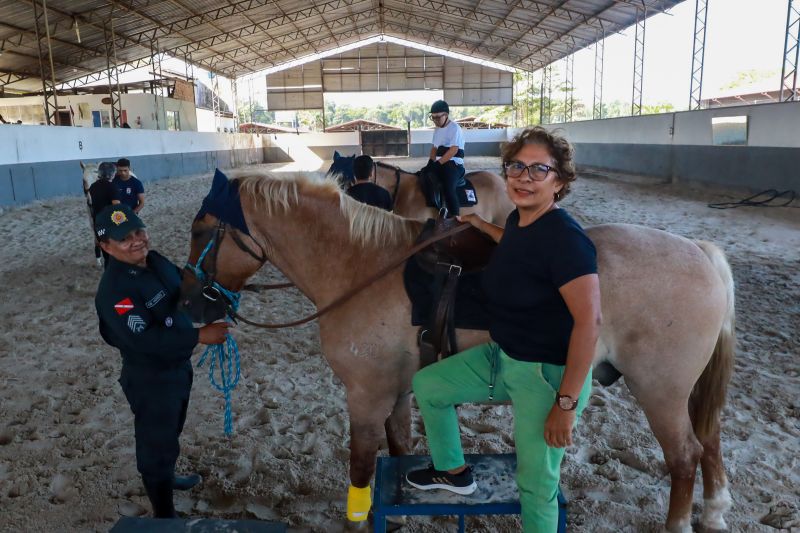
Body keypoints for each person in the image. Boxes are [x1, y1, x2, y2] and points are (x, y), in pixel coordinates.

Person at [406, 127, 601, 532]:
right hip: (504, 356)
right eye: (516, 166)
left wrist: (564, 406)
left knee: (535, 483)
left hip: (546, 376)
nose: (523, 177)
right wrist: (479, 223)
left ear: (559, 181)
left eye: (538, 170)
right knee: (429, 386)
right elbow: (512, 242)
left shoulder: (566, 240)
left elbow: (589, 322)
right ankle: (453, 471)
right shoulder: (519, 220)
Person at [93, 204, 230, 519]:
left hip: (177, 368)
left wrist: (214, 303)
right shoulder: (114, 291)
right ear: (105, 246)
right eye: (124, 238)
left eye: (139, 231)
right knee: (155, 446)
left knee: (172, 430)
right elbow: (146, 340)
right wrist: (199, 336)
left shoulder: (156, 261)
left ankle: (168, 478)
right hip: (150, 379)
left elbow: (185, 291)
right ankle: (164, 514)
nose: (137, 240)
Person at [425, 99, 466, 217]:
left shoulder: (454, 128)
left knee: (448, 187)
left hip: (454, 164)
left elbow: (454, 150)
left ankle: (455, 216)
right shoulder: (437, 130)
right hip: (441, 163)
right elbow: (434, 148)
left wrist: (438, 164)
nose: (435, 121)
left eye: (438, 117)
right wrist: (431, 162)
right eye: (433, 118)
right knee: (424, 175)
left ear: (446, 115)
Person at [88, 162, 121, 267]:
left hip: (99, 224)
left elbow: (93, 207)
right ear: (112, 174)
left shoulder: (93, 187)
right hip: (110, 225)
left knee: (106, 255)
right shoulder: (112, 187)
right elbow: (116, 208)